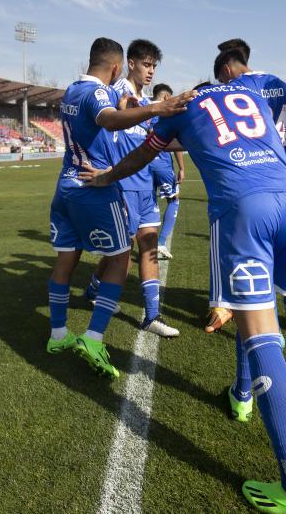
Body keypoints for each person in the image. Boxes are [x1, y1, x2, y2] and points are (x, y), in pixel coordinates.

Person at [78, 80, 286, 513]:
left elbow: (143, 153)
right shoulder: (251, 99)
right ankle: (241, 395)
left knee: (261, 333)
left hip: (245, 208)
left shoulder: (184, 106)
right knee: (260, 313)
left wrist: (106, 176)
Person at [45, 37, 193, 379]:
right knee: (121, 258)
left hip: (66, 184)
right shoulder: (98, 93)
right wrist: (159, 108)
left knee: (68, 258)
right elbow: (110, 119)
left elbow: (118, 112)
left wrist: (133, 105)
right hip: (94, 186)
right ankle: (94, 338)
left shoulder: (71, 90)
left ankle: (57, 335)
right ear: (117, 67)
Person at [84, 39, 180, 338]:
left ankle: (152, 316)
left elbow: (156, 141)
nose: (151, 71)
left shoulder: (147, 102)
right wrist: (101, 167)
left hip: (145, 188)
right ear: (132, 63)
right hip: (120, 188)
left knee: (149, 246)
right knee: (119, 256)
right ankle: (93, 290)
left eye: (154, 66)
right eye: (147, 64)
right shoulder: (112, 95)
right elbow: (97, 129)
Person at [213, 41, 286, 324]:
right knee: (285, 241)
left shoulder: (239, 88)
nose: (222, 83)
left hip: (254, 173)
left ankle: (245, 305)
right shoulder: (280, 82)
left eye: (221, 78)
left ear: (228, 69)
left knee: (253, 241)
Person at [148, 83, 185, 260]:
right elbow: (174, 141)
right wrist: (182, 168)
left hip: (141, 164)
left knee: (147, 202)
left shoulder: (141, 110)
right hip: (161, 163)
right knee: (174, 200)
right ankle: (160, 242)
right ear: (165, 98)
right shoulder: (166, 114)